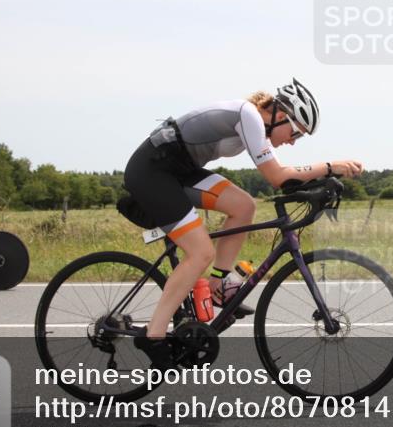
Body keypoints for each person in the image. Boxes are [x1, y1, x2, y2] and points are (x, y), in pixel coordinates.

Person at [123, 78, 363, 364]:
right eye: (295, 133)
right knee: (200, 252)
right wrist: (329, 166)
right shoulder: (247, 115)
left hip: (181, 170)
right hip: (153, 170)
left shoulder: (254, 124)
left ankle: (217, 285)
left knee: (243, 206)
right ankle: (155, 335)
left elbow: (285, 179)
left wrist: (323, 181)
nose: (291, 141)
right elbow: (277, 177)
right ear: (281, 114)